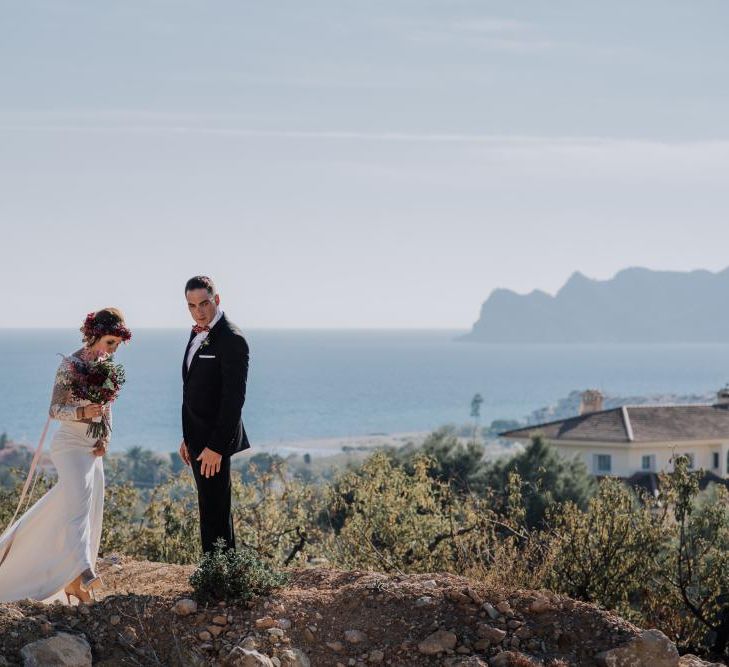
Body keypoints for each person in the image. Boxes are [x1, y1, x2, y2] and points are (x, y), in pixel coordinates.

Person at [0, 308, 131, 603]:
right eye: (110, 342)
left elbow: (108, 405)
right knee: (80, 507)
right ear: (96, 335)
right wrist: (83, 412)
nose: (113, 349)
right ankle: (84, 569)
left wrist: (105, 437)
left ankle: (71, 583)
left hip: (91, 446)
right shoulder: (69, 366)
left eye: (117, 344)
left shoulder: (106, 363)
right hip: (69, 445)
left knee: (84, 504)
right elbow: (54, 410)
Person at [179, 276, 250, 553]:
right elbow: (194, 391)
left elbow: (233, 400)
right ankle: (218, 575)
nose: (200, 310)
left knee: (216, 512)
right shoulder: (197, 333)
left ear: (216, 300)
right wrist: (187, 438)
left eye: (205, 303)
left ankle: (219, 580)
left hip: (213, 445)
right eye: (192, 305)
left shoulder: (231, 338)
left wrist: (216, 447)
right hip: (197, 439)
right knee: (209, 508)